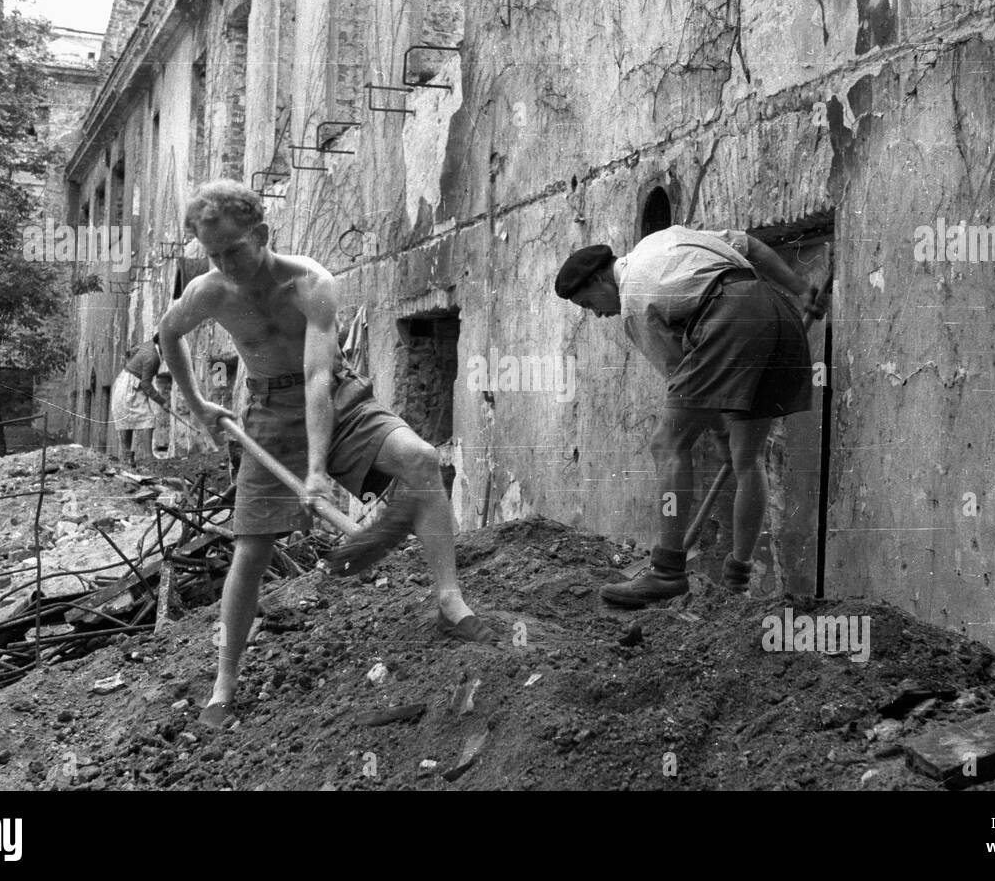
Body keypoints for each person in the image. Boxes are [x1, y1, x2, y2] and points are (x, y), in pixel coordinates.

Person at [158, 179, 493, 730]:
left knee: (422, 459)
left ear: (261, 234)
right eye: (212, 254)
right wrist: (199, 404)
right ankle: (223, 684)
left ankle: (451, 602)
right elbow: (169, 335)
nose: (226, 265)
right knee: (251, 550)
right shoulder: (209, 293)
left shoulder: (310, 283)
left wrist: (317, 472)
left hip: (337, 396)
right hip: (268, 415)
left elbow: (317, 378)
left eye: (234, 251)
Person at [554, 225, 825, 608]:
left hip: (728, 319)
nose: (597, 314)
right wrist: (800, 289)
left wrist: (717, 433)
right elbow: (752, 248)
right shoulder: (665, 240)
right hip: (778, 314)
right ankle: (739, 579)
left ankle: (666, 571)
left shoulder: (635, 305)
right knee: (748, 458)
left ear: (600, 278)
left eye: (588, 303)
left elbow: (684, 377)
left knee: (667, 444)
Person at [109, 333, 168, 465]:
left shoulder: (150, 345)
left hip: (126, 382)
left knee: (128, 421)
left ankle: (126, 458)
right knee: (147, 419)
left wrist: (133, 364)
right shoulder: (153, 357)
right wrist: (162, 402)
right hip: (130, 387)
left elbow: (132, 351)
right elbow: (146, 385)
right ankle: (148, 456)